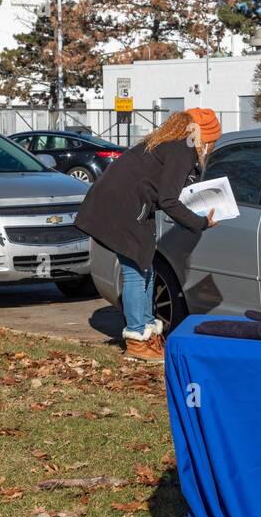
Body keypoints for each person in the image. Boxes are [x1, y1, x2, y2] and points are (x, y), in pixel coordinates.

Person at [74, 108, 221, 361]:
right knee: (135, 272)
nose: (211, 147)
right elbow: (167, 198)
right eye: (212, 141)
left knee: (146, 269)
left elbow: (165, 184)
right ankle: (136, 338)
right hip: (124, 209)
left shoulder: (171, 143)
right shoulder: (182, 149)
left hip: (120, 204)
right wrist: (200, 223)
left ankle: (147, 333)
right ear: (203, 136)